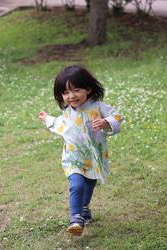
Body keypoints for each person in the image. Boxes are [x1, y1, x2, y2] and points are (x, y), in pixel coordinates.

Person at [38, 65, 123, 236]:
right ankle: (76, 218)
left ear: (88, 89)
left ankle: (84, 208)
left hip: (93, 157)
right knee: (77, 185)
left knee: (90, 183)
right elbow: (62, 125)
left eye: (76, 90)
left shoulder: (98, 107)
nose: (71, 96)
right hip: (73, 157)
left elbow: (118, 117)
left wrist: (106, 122)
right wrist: (48, 119)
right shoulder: (67, 112)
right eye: (66, 92)